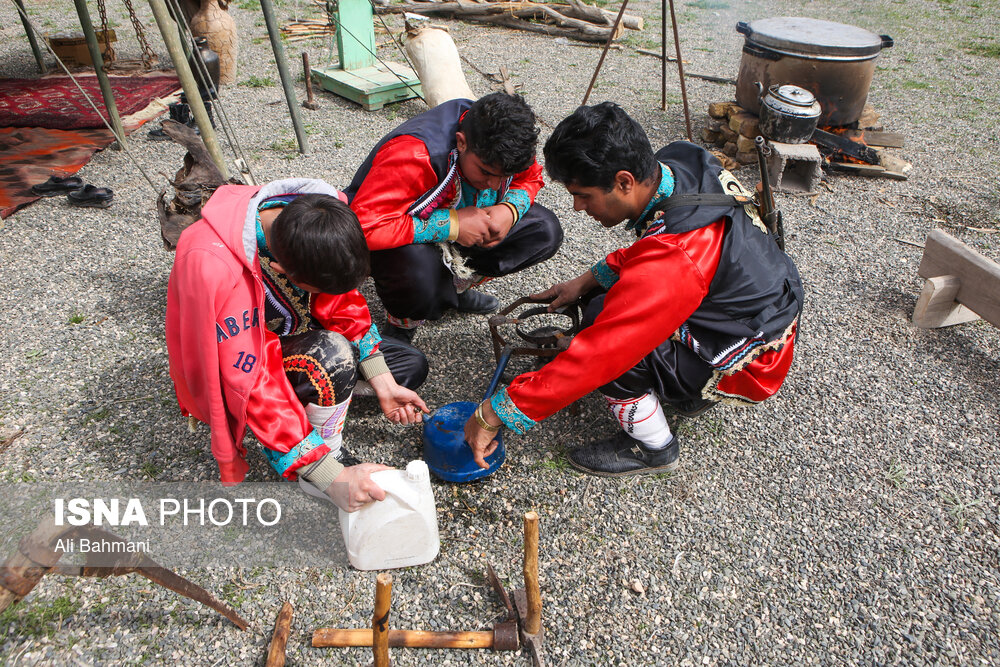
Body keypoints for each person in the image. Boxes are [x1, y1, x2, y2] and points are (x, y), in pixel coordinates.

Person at [463, 102, 804, 477]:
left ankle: (655, 447)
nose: (577, 207)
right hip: (749, 310)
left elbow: (604, 351)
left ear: (625, 181)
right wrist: (584, 282)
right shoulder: (677, 164)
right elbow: (655, 244)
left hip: (751, 357)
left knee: (608, 340)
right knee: (600, 302)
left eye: (583, 195)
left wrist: (493, 414)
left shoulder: (678, 256)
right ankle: (684, 386)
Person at [166, 179, 429, 511]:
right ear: (280, 270)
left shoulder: (313, 217)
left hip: (298, 336)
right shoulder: (214, 266)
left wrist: (384, 382)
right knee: (330, 357)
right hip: (241, 356)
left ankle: (322, 399)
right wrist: (330, 475)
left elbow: (343, 303)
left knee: (408, 366)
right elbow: (249, 375)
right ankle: (323, 456)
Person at [344, 92, 564, 343]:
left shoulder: (510, 146)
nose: (494, 185)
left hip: (469, 220)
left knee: (543, 231)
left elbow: (530, 177)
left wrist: (509, 209)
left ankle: (454, 289)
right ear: (461, 143)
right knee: (414, 270)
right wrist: (453, 224)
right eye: (486, 172)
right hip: (402, 231)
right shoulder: (416, 153)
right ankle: (403, 318)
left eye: (504, 176)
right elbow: (362, 228)